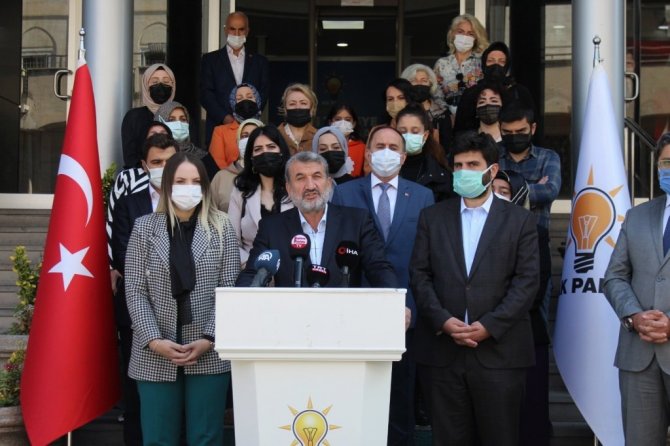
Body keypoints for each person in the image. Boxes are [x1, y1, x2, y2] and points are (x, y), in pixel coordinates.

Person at [410, 130, 539, 446]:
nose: (463, 171)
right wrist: (443, 320)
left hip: (500, 354)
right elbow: (419, 275)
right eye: (458, 165)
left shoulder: (520, 220)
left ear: (492, 171)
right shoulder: (432, 217)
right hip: (443, 354)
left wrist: (489, 326)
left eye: (472, 165)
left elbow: (527, 282)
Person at [125, 153, 240, 446]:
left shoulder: (222, 226)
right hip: (154, 350)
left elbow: (228, 288)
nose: (188, 188)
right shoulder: (144, 227)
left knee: (206, 438)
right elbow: (135, 290)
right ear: (167, 185)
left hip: (207, 349)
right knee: (158, 439)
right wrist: (154, 340)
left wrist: (209, 338)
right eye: (180, 181)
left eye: (195, 181)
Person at [331, 125, 434, 446]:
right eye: (379, 146)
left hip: (405, 315)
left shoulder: (423, 196)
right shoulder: (345, 193)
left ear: (403, 157)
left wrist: (412, 308)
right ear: (368, 153)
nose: (386, 152)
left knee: (400, 401)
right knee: (356, 399)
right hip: (356, 312)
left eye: (393, 147)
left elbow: (426, 261)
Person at [236, 151, 401, 292]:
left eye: (317, 176)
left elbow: (379, 268)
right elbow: (252, 274)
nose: (310, 186)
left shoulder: (357, 221)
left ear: (328, 183)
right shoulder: (272, 227)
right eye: (300, 178)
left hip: (344, 315)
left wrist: (395, 302)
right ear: (288, 188)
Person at [110, 133, 178, 446]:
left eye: (170, 161)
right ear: (144, 165)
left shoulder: (195, 202)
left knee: (180, 397)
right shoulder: (129, 203)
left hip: (184, 310)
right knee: (136, 395)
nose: (164, 168)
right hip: (137, 311)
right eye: (156, 162)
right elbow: (123, 253)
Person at [604, 133, 670, 446]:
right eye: (666, 163)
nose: (669, 169)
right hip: (638, 356)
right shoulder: (637, 216)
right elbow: (614, 276)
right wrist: (634, 316)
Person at [200, 11, 269, 147]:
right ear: (225, 30)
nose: (236, 34)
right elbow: (205, 94)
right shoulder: (210, 60)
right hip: (219, 128)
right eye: (232, 29)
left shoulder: (260, 62)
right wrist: (225, 118)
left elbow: (263, 93)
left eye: (241, 29)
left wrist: (249, 118)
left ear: (247, 31)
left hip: (251, 129)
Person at [228, 125, 293, 266]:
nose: (265, 153)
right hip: (252, 270)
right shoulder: (240, 190)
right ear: (251, 157)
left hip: (292, 270)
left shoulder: (295, 188)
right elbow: (232, 241)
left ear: (281, 151)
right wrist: (252, 266)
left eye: (271, 147)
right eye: (258, 149)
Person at [454, 41, 534, 134]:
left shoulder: (519, 92)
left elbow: (531, 123)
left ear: (507, 65)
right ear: (484, 64)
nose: (496, 65)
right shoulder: (471, 93)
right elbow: (460, 128)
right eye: (491, 61)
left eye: (501, 61)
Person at [433, 14, 488, 118]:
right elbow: (436, 93)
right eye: (460, 32)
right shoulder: (441, 63)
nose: (465, 37)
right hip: (448, 119)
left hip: (474, 119)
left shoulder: (481, 63)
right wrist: (448, 116)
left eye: (470, 33)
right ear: (452, 34)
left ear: (476, 37)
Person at [121, 64, 176, 168]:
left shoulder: (181, 116)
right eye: (155, 82)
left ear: (173, 86)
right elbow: (130, 157)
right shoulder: (134, 117)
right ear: (146, 86)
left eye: (166, 82)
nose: (161, 86)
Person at [396, 104, 452, 202]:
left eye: (415, 132)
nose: (408, 136)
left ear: (425, 135)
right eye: (403, 131)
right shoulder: (386, 167)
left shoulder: (439, 173)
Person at [154, 100, 219, 180]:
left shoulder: (203, 157)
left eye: (183, 119)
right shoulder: (154, 158)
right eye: (171, 120)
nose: (179, 123)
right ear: (160, 122)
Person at [211, 118, 264, 212]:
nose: (249, 140)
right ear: (238, 141)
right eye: (245, 136)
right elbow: (210, 212)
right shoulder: (221, 177)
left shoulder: (269, 176)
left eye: (254, 135)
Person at [208, 83, 263, 170]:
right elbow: (217, 164)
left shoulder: (266, 130)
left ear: (257, 100)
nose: (245, 100)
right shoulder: (220, 132)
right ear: (233, 103)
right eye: (239, 98)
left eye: (249, 97)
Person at [401, 63, 452, 147]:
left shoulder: (442, 113)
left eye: (424, 80)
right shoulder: (401, 111)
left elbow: (446, 146)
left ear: (430, 84)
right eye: (413, 80)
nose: (419, 83)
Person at [325, 103, 366, 177]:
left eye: (347, 120)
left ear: (354, 124)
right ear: (330, 122)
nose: (342, 123)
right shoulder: (322, 146)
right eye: (338, 119)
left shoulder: (362, 148)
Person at [277, 83, 318, 154]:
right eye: (292, 104)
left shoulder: (319, 137)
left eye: (303, 103)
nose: (298, 107)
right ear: (285, 109)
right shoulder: (274, 136)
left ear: (312, 109)